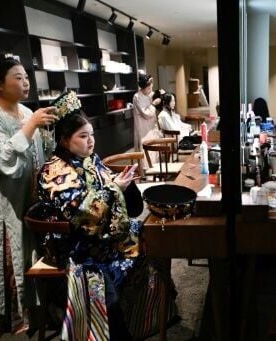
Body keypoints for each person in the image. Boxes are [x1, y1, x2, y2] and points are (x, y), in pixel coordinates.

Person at [37, 95, 177, 339]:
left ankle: (151, 313)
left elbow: (104, 190)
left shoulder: (90, 160)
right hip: (74, 244)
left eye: (91, 134)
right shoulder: (53, 171)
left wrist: (119, 184)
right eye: (83, 136)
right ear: (63, 139)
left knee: (152, 233)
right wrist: (114, 189)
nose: (90, 141)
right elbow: (81, 215)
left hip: (100, 232)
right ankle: (118, 325)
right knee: (115, 261)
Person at [0, 46, 58, 334]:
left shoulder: (26, 111)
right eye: (19, 78)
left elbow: (39, 156)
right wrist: (32, 125)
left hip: (32, 198)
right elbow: (1, 159)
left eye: (26, 78)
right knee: (13, 258)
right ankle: (15, 319)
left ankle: (41, 312)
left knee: (35, 254)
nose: (26, 84)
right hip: (7, 202)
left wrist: (46, 135)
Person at [133, 74, 161, 151]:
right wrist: (153, 104)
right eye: (148, 88)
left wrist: (160, 95)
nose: (150, 90)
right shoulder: (137, 97)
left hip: (152, 126)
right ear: (142, 88)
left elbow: (157, 96)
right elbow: (146, 114)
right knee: (146, 149)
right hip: (143, 128)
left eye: (151, 87)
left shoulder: (150, 94)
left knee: (155, 147)